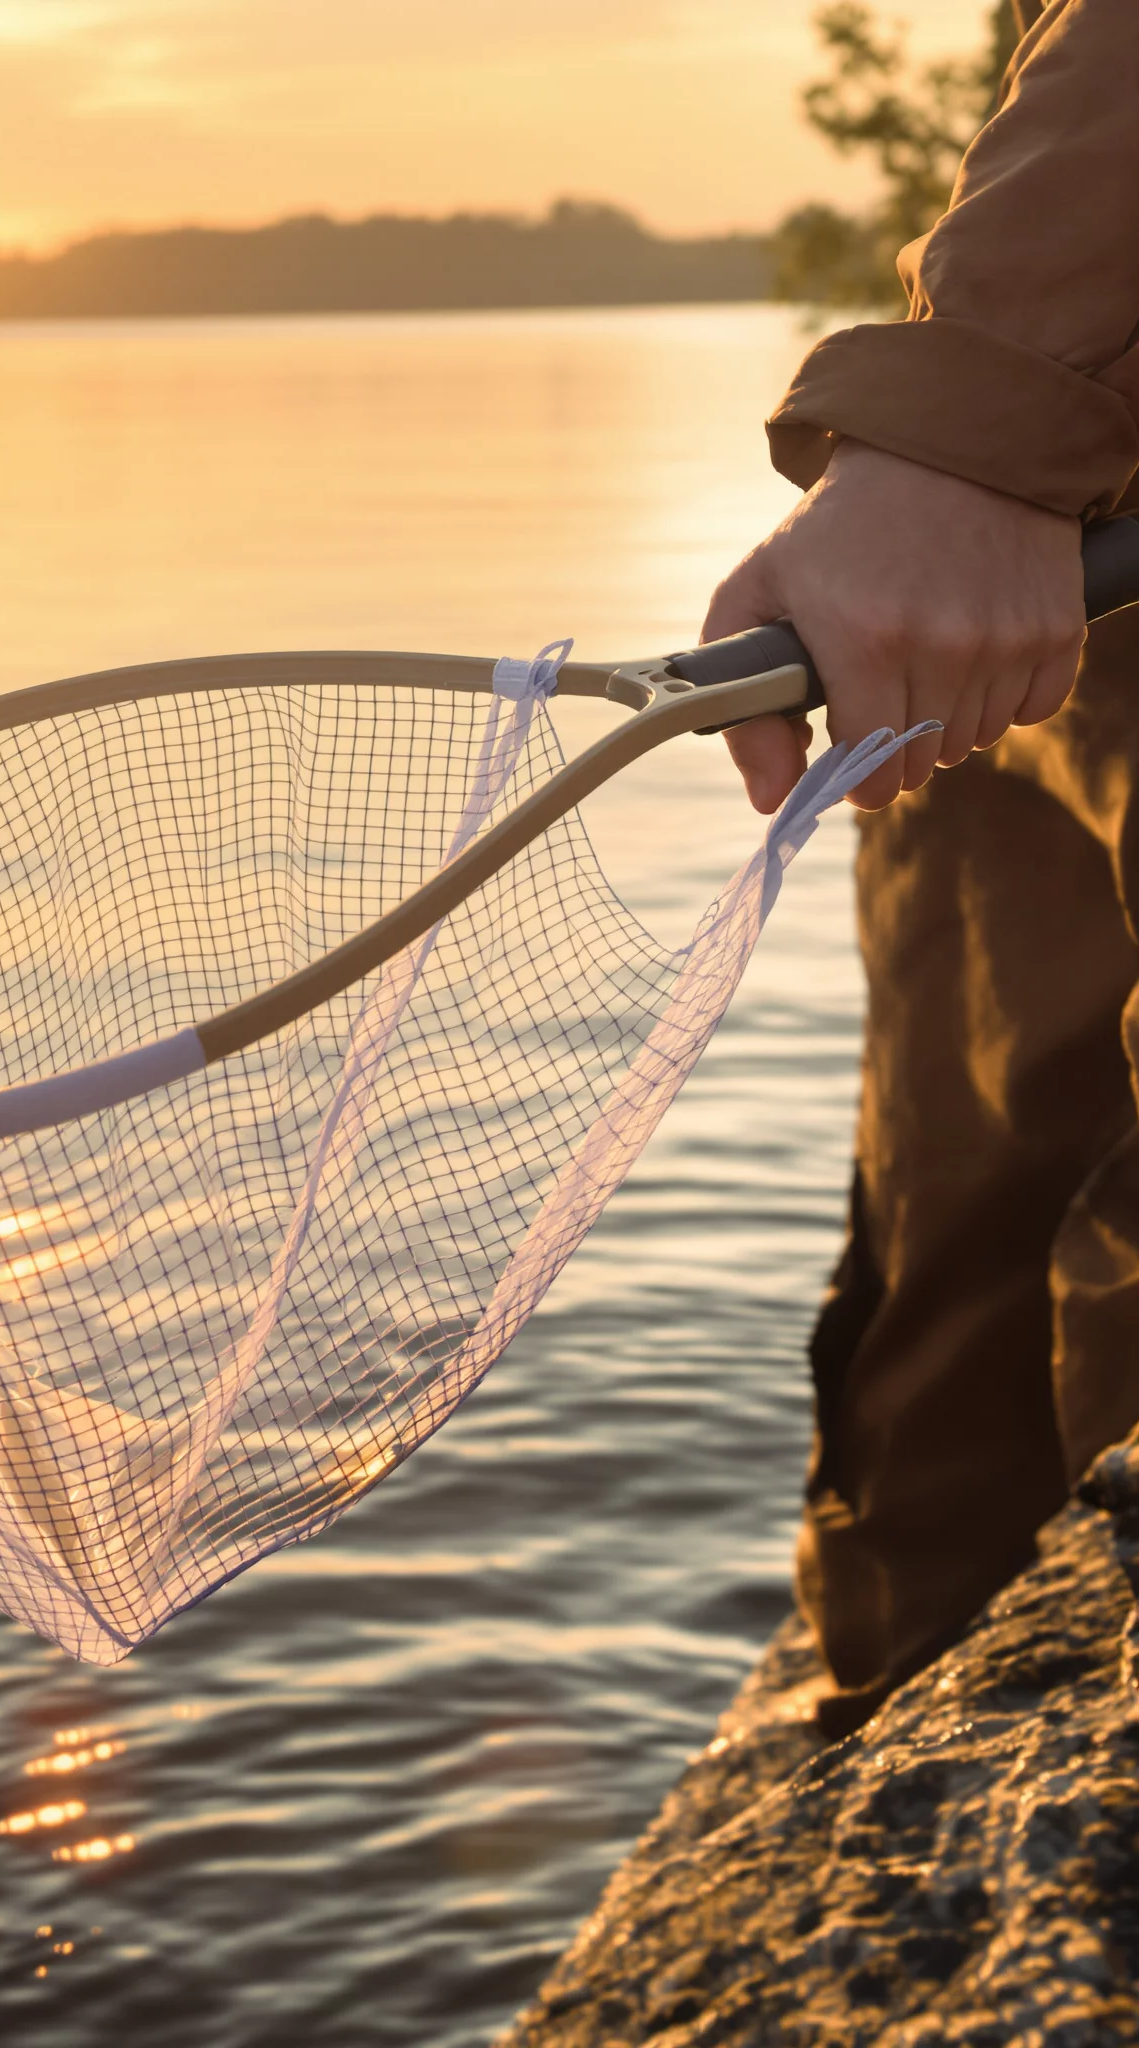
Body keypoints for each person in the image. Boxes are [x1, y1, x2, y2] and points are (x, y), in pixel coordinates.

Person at [703, 0, 1139, 1737]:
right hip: (1065, 531)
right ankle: (902, 1762)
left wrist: (980, 419)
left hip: (1030, 453)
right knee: (966, 1246)